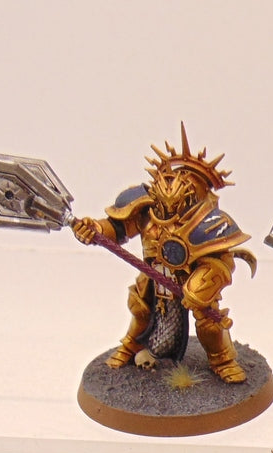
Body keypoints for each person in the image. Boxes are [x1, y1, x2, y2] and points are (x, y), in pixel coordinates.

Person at [71, 124, 255, 380]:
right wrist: (94, 229)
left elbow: (222, 261)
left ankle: (222, 359)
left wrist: (201, 287)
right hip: (154, 274)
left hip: (190, 278)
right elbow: (117, 227)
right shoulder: (145, 209)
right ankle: (131, 345)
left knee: (209, 321)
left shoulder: (212, 222)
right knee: (140, 307)